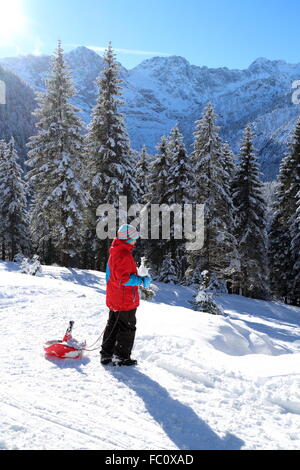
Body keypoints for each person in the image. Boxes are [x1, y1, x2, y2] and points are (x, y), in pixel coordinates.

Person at [100, 224, 152, 366]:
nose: (135, 241)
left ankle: (106, 354)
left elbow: (111, 276)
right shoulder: (123, 254)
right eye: (134, 238)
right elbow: (124, 279)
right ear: (127, 239)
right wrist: (141, 280)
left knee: (113, 325)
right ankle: (121, 356)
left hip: (115, 297)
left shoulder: (115, 252)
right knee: (127, 327)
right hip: (124, 299)